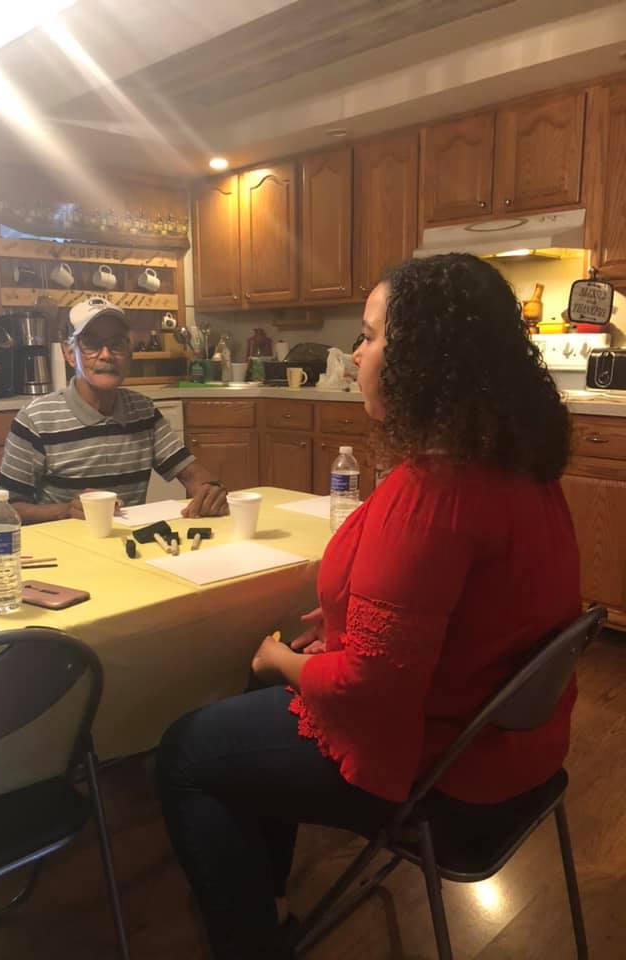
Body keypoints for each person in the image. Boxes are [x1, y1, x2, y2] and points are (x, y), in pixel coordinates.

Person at [155, 254, 580, 960]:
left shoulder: (434, 492)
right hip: (518, 755)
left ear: (423, 360)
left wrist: (282, 659)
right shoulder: (515, 464)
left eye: (371, 336)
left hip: (448, 778)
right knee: (253, 703)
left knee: (185, 750)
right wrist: (350, 624)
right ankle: (269, 901)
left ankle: (250, 941)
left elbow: (368, 688)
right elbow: (463, 613)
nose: (355, 354)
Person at [0, 297, 228, 523]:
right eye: (91, 344)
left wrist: (210, 492)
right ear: (69, 354)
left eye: (117, 344)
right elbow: (5, 510)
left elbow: (192, 475)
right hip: (63, 545)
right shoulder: (35, 419)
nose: (106, 355)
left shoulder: (144, 412)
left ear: (130, 354)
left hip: (129, 544)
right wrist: (66, 511)